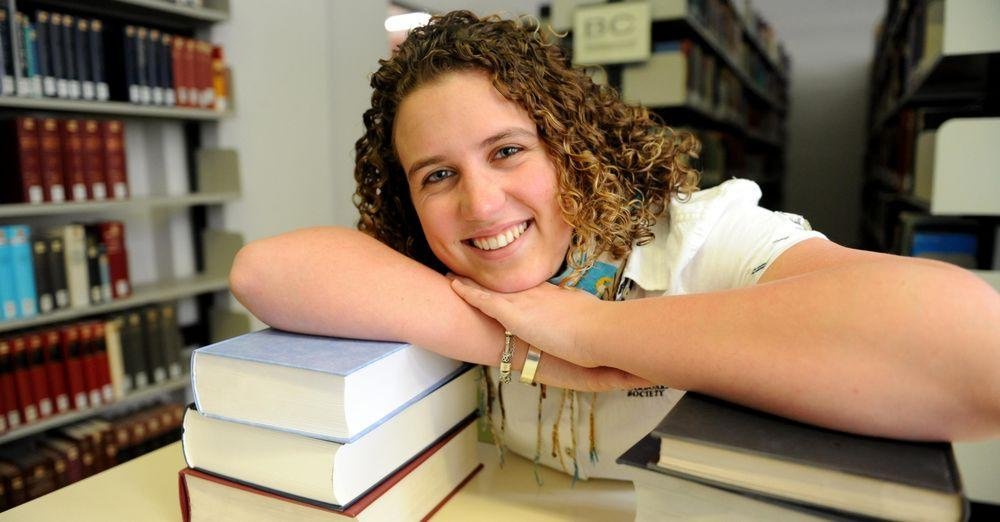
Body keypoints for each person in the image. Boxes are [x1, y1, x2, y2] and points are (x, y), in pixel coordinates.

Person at [230, 11, 1000, 480]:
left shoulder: (702, 236)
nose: (480, 203)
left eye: (507, 151)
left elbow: (975, 351)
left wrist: (591, 330)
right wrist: (524, 346)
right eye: (437, 175)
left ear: (571, 144)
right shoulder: (442, 270)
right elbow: (262, 271)